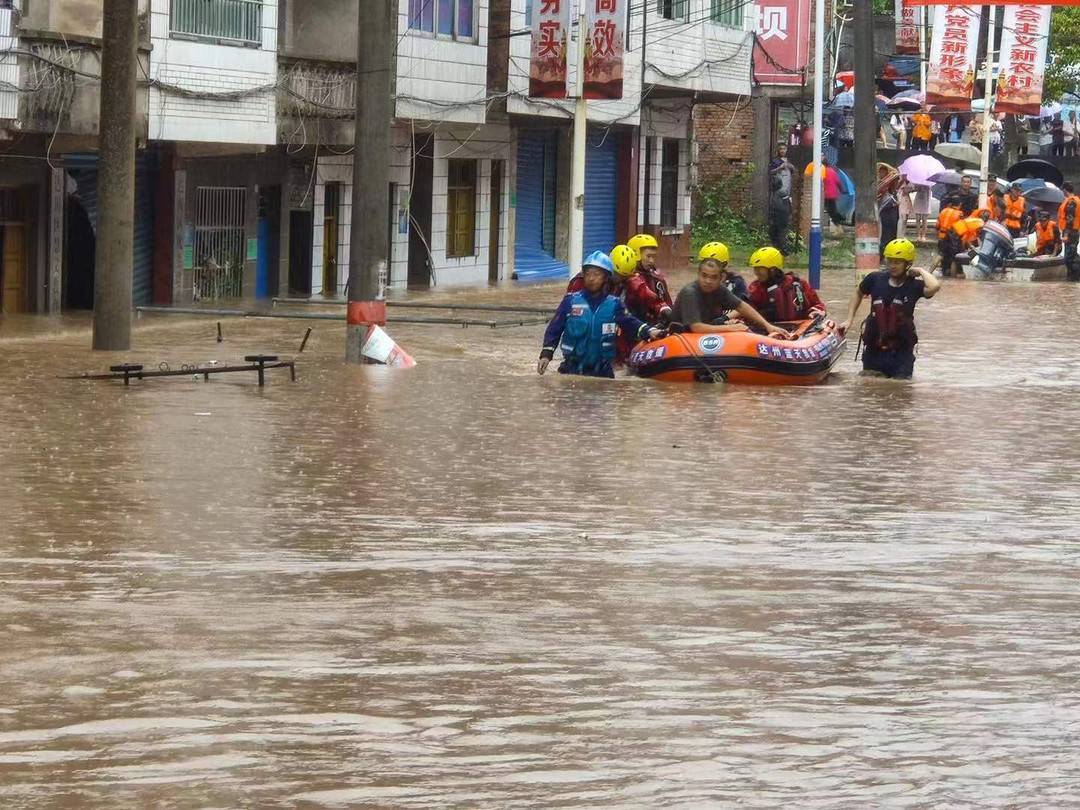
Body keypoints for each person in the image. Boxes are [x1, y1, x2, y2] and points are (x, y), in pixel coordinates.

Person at [538, 251, 664, 378]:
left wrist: (651, 331)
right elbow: (554, 329)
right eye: (588, 274)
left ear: (605, 278)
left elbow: (631, 324)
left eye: (596, 275)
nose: (591, 278)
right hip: (571, 370)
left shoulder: (614, 305)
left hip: (603, 373)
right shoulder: (570, 301)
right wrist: (546, 355)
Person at [839, 238, 941, 379]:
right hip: (874, 352)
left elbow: (934, 286)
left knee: (899, 392)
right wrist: (849, 320)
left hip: (901, 355)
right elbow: (858, 293)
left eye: (897, 262)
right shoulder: (875, 279)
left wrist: (920, 271)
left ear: (907, 264)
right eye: (890, 261)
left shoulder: (914, 286)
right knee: (870, 391)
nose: (892, 265)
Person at [671, 257, 791, 337]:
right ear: (698, 275)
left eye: (713, 277)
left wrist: (768, 326)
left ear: (721, 278)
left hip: (705, 334)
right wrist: (733, 328)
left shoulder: (719, 289)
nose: (708, 281)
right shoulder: (690, 292)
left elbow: (742, 306)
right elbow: (696, 327)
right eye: (704, 276)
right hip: (684, 337)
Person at [746, 246, 825, 322]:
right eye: (755, 268)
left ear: (772, 269)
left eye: (759, 268)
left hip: (800, 329)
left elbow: (818, 305)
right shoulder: (756, 288)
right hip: (769, 329)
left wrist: (816, 312)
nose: (756, 272)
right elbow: (746, 309)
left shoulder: (798, 284)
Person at [624, 233, 673, 324]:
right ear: (635, 255)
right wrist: (662, 307)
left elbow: (667, 301)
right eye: (648, 256)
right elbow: (643, 292)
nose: (651, 260)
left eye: (653, 257)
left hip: (655, 326)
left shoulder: (656, 277)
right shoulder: (628, 277)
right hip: (632, 325)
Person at [1058, 182, 1080, 280]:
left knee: (1070, 258)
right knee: (1070, 257)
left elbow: (1070, 219)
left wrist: (1066, 234)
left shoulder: (1072, 202)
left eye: (1062, 190)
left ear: (1065, 190)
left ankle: (1075, 279)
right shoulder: (1074, 200)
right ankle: (1071, 279)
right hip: (1072, 232)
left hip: (1070, 232)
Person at [934, 203, 963, 277]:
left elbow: (937, 226)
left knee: (941, 255)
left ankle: (929, 272)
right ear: (959, 204)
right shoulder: (959, 214)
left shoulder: (943, 211)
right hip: (952, 239)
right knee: (954, 259)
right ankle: (952, 279)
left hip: (942, 237)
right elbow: (960, 229)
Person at [768, 176, 791, 253]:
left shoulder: (782, 193)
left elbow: (784, 207)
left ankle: (783, 250)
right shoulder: (774, 193)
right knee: (774, 233)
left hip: (781, 217)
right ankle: (777, 248)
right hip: (775, 217)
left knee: (780, 233)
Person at [823, 161, 844, 235]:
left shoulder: (823, 171)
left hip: (826, 195)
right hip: (833, 194)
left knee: (831, 211)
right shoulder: (832, 171)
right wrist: (842, 190)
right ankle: (839, 221)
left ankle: (838, 226)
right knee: (832, 210)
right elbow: (838, 182)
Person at [896, 174, 914, 239]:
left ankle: (903, 235)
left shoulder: (909, 181)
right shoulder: (899, 179)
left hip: (906, 200)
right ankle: (899, 235)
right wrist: (902, 180)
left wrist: (908, 184)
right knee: (902, 218)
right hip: (901, 199)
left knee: (906, 218)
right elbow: (897, 188)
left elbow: (912, 188)